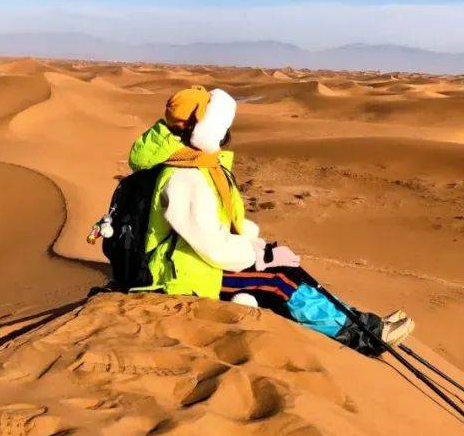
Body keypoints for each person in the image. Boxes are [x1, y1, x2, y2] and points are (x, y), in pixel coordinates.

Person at [126, 84, 415, 354]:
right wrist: (258, 254)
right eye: (223, 126)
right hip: (179, 273)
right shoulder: (185, 176)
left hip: (193, 261)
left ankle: (363, 322)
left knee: (291, 272)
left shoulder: (196, 164)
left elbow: (221, 225)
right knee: (277, 281)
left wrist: (260, 249)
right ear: (207, 129)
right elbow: (212, 245)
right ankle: (359, 337)